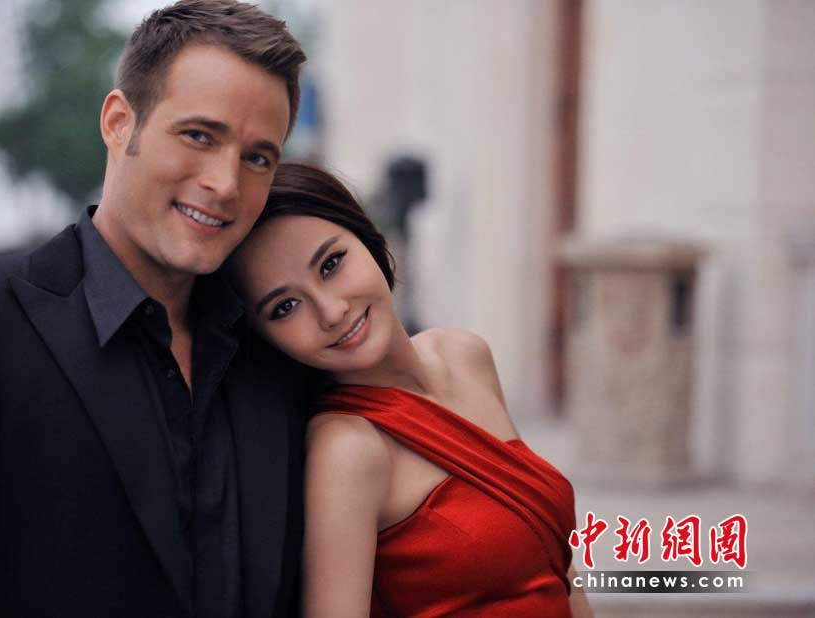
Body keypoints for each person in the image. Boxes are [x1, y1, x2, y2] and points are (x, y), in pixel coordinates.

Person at [0, 2, 307, 616]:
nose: (225, 184)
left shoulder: (275, 356)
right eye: (199, 136)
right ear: (118, 122)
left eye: (257, 157)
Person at [230, 162, 594, 617]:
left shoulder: (465, 355)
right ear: (268, 339)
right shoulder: (348, 447)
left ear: (368, 239)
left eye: (331, 264)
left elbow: (553, 557)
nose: (331, 311)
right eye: (285, 307)